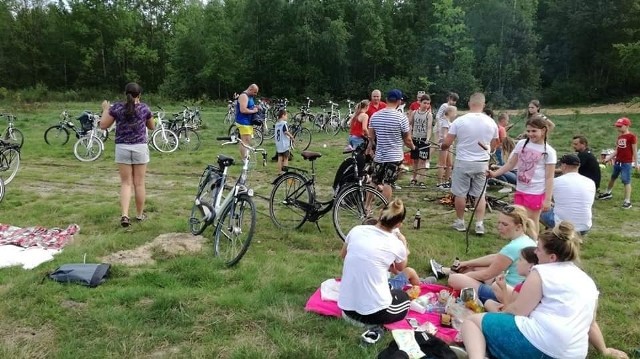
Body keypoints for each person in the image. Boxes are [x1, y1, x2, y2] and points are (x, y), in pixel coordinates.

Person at [461, 221, 599, 359]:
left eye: (538, 249)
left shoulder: (541, 271)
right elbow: (590, 323)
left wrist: (500, 313)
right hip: (575, 354)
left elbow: (518, 311)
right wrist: (603, 349)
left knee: (472, 322)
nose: (535, 252)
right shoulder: (587, 281)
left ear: (552, 257)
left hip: (541, 346)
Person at [338, 199, 411, 344]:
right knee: (405, 299)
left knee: (386, 284)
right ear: (398, 224)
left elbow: (343, 255)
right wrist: (403, 242)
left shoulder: (356, 230)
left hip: (346, 309)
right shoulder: (395, 243)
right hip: (371, 313)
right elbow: (401, 268)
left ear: (380, 214)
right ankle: (376, 325)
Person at [429, 205, 537, 303]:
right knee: (473, 268)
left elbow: (487, 274)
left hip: (504, 294)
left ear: (518, 227)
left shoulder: (513, 247)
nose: (499, 227)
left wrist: (462, 276)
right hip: (513, 289)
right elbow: (497, 257)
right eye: (499, 222)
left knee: (454, 279)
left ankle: (450, 274)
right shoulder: (525, 240)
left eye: (504, 224)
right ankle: (445, 271)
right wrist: (467, 263)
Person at [488, 115, 556, 236]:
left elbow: (550, 177)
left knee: (532, 220)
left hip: (536, 191)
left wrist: (547, 199)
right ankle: (522, 242)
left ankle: (534, 244)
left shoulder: (549, 151)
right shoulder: (522, 144)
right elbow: (510, 164)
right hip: (521, 189)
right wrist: (494, 174)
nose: (530, 134)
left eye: (534, 131)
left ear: (544, 130)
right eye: (528, 131)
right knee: (520, 218)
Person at [441, 92, 498, 235]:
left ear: (469, 104)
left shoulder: (459, 121)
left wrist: (442, 145)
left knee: (460, 193)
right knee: (480, 195)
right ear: (483, 105)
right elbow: (495, 143)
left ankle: (460, 222)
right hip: (482, 163)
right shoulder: (491, 122)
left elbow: (447, 143)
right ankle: (479, 224)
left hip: (463, 162)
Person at [99, 82, 154, 227]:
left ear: (126, 94)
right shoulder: (144, 108)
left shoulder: (117, 107)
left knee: (126, 183)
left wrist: (105, 109)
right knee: (139, 183)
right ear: (139, 95)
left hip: (122, 147)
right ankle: (140, 215)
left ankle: (124, 215)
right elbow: (152, 126)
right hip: (140, 147)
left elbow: (103, 125)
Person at [368, 89, 415, 200]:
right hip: (394, 156)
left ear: (386, 99)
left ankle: (367, 207)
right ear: (399, 101)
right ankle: (385, 208)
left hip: (380, 155)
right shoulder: (401, 117)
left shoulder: (375, 116)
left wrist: (371, 147)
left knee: (374, 182)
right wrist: (413, 147)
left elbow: (371, 136)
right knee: (388, 183)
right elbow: (407, 140)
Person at [540, 154, 595, 235]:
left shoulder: (556, 181)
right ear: (578, 166)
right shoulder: (590, 182)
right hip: (584, 227)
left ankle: (554, 232)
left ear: (564, 166)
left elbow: (542, 198)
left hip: (564, 226)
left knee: (536, 208)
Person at [597, 117, 637, 209]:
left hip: (626, 163)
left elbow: (634, 150)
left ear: (626, 126)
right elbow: (617, 151)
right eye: (617, 126)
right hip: (617, 162)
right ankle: (608, 192)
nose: (618, 128)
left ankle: (627, 201)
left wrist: (636, 163)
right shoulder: (619, 137)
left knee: (626, 181)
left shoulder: (631, 137)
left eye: (620, 126)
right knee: (613, 177)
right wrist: (608, 158)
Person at [408, 95, 433, 187]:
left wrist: (428, 138)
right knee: (415, 161)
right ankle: (414, 178)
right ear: (420, 102)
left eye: (428, 103)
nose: (426, 105)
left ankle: (421, 180)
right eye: (424, 103)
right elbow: (410, 124)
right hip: (415, 139)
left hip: (423, 140)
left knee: (423, 161)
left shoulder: (429, 115)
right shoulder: (414, 113)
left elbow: (429, 128)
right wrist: (409, 135)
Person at [235, 84, 260, 159]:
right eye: (255, 92)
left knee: (247, 140)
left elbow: (250, 105)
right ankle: (244, 159)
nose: (255, 94)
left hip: (248, 122)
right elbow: (243, 110)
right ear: (250, 89)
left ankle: (245, 157)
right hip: (243, 122)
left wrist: (255, 107)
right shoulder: (244, 96)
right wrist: (253, 111)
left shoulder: (250, 96)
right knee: (245, 142)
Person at [436, 105, 456, 189]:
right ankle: (440, 182)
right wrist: (448, 142)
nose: (455, 114)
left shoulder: (449, 122)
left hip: (449, 145)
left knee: (449, 164)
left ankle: (446, 181)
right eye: (455, 112)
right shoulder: (444, 122)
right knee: (442, 164)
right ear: (450, 112)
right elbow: (444, 135)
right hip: (444, 145)